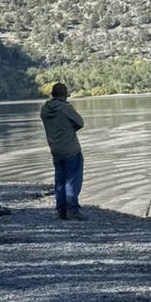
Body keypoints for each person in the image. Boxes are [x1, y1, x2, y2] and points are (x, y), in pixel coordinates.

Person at [39, 83, 85, 218]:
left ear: (52, 94)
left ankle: (61, 210)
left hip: (55, 149)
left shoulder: (44, 109)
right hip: (71, 149)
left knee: (60, 180)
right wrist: (69, 129)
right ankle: (73, 210)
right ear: (65, 94)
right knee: (72, 180)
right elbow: (80, 122)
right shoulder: (65, 107)